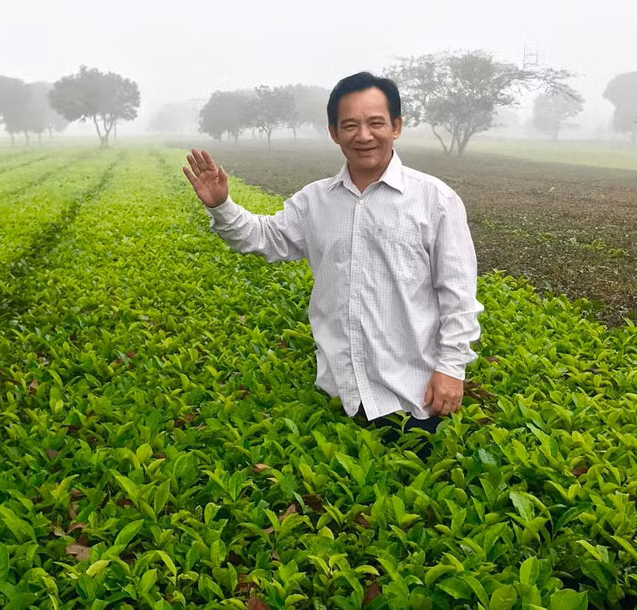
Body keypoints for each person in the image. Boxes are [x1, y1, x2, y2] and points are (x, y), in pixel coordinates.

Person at [183, 71, 482, 449]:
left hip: (416, 400)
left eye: (376, 123)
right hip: (339, 397)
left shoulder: (435, 201)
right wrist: (222, 206)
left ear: (397, 127)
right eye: (350, 125)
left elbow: (458, 296)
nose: (363, 135)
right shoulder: (315, 201)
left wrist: (451, 369)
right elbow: (264, 237)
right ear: (334, 132)